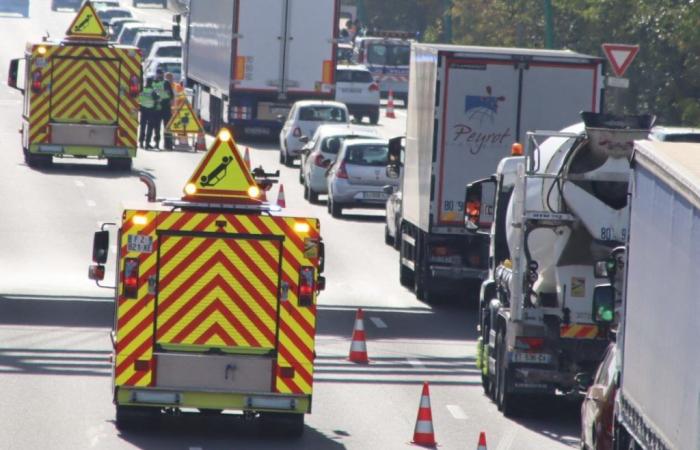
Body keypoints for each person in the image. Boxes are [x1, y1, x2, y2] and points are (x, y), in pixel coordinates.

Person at [152, 69, 173, 149]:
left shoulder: (154, 83)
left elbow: (152, 95)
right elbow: (171, 96)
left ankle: (158, 144)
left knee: (159, 127)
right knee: (166, 127)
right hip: (165, 108)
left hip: (158, 108)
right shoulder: (166, 83)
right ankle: (168, 145)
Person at [138, 78, 158, 149]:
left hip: (143, 110)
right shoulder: (153, 91)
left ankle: (141, 142)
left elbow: (139, 99)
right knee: (150, 127)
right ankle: (147, 143)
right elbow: (157, 99)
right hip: (151, 111)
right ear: (151, 83)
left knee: (142, 127)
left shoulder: (142, 90)